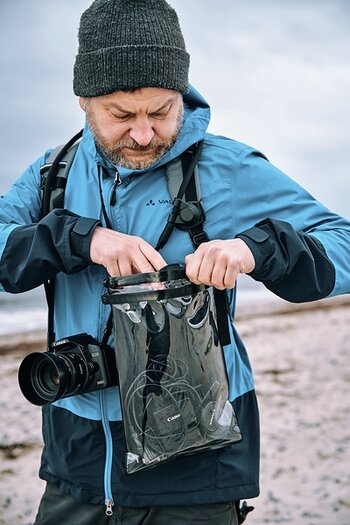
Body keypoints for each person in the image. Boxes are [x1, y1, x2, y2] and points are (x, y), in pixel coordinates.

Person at [0, 1, 349, 524]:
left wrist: (257, 249)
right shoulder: (53, 172)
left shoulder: (227, 166)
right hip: (77, 457)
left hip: (197, 459)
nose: (144, 134)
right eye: (121, 116)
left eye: (161, 111)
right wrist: (78, 239)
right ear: (84, 100)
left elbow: (341, 242)